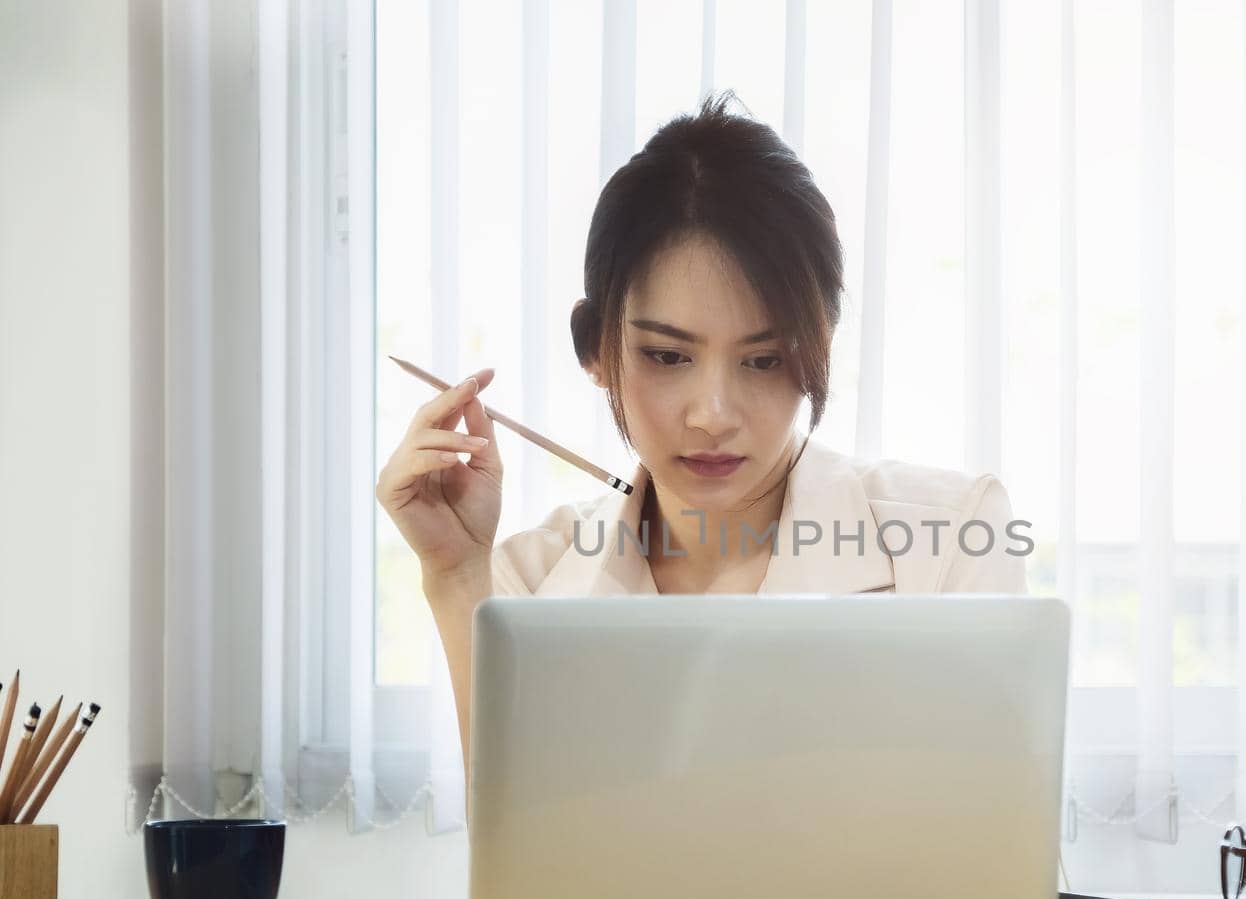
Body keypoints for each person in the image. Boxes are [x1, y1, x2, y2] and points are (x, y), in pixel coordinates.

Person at [376, 94, 1030, 760]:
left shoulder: (951, 540)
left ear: (820, 347)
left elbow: (991, 850)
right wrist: (456, 576)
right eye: (667, 355)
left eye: (764, 359)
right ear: (596, 350)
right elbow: (520, 854)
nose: (714, 414)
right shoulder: (530, 581)